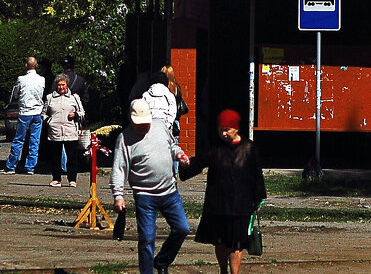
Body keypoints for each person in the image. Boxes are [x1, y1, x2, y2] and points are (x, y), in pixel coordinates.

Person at [180, 109, 267, 274]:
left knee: (237, 243)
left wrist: (259, 197)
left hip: (241, 205)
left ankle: (234, 273)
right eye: (220, 130)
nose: (223, 133)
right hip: (217, 204)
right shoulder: (214, 148)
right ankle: (223, 270)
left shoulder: (249, 148)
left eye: (227, 129)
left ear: (236, 129)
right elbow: (198, 164)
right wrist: (185, 166)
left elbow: (256, 174)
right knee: (219, 241)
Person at [111, 98, 191, 274]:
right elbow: (119, 169)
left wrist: (179, 155)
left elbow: (171, 146)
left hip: (170, 191)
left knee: (182, 228)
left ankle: (162, 261)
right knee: (147, 239)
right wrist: (118, 195)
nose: (143, 126)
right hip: (144, 195)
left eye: (145, 122)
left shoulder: (160, 125)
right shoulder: (124, 139)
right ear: (131, 120)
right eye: (138, 123)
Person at [2, 56, 45, 174]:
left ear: (26, 66)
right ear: (36, 66)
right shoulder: (42, 79)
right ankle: (30, 167)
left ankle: (11, 166)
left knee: (19, 140)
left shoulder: (21, 79)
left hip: (25, 112)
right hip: (37, 112)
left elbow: (15, 94)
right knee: (34, 141)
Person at [41, 74, 85, 187]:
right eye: (59, 85)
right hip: (55, 132)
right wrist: (49, 121)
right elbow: (43, 114)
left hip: (70, 131)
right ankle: (56, 179)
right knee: (55, 156)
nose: (61, 87)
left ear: (67, 85)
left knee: (72, 157)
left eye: (63, 85)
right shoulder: (50, 97)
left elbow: (82, 113)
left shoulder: (74, 97)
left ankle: (72, 180)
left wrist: (75, 115)